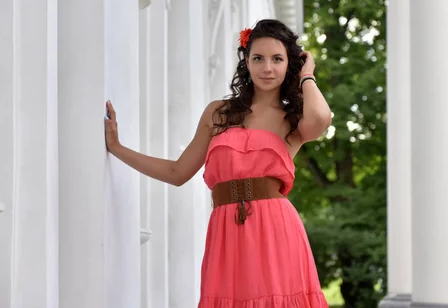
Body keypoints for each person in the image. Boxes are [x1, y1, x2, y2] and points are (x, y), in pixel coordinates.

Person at [105, 19, 332, 307]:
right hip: (227, 230)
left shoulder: (293, 118)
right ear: (246, 62)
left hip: (276, 230)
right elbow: (178, 172)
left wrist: (308, 75)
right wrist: (117, 148)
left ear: (291, 65)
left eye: (277, 59)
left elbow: (322, 119)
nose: (267, 68)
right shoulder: (218, 113)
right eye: (258, 58)